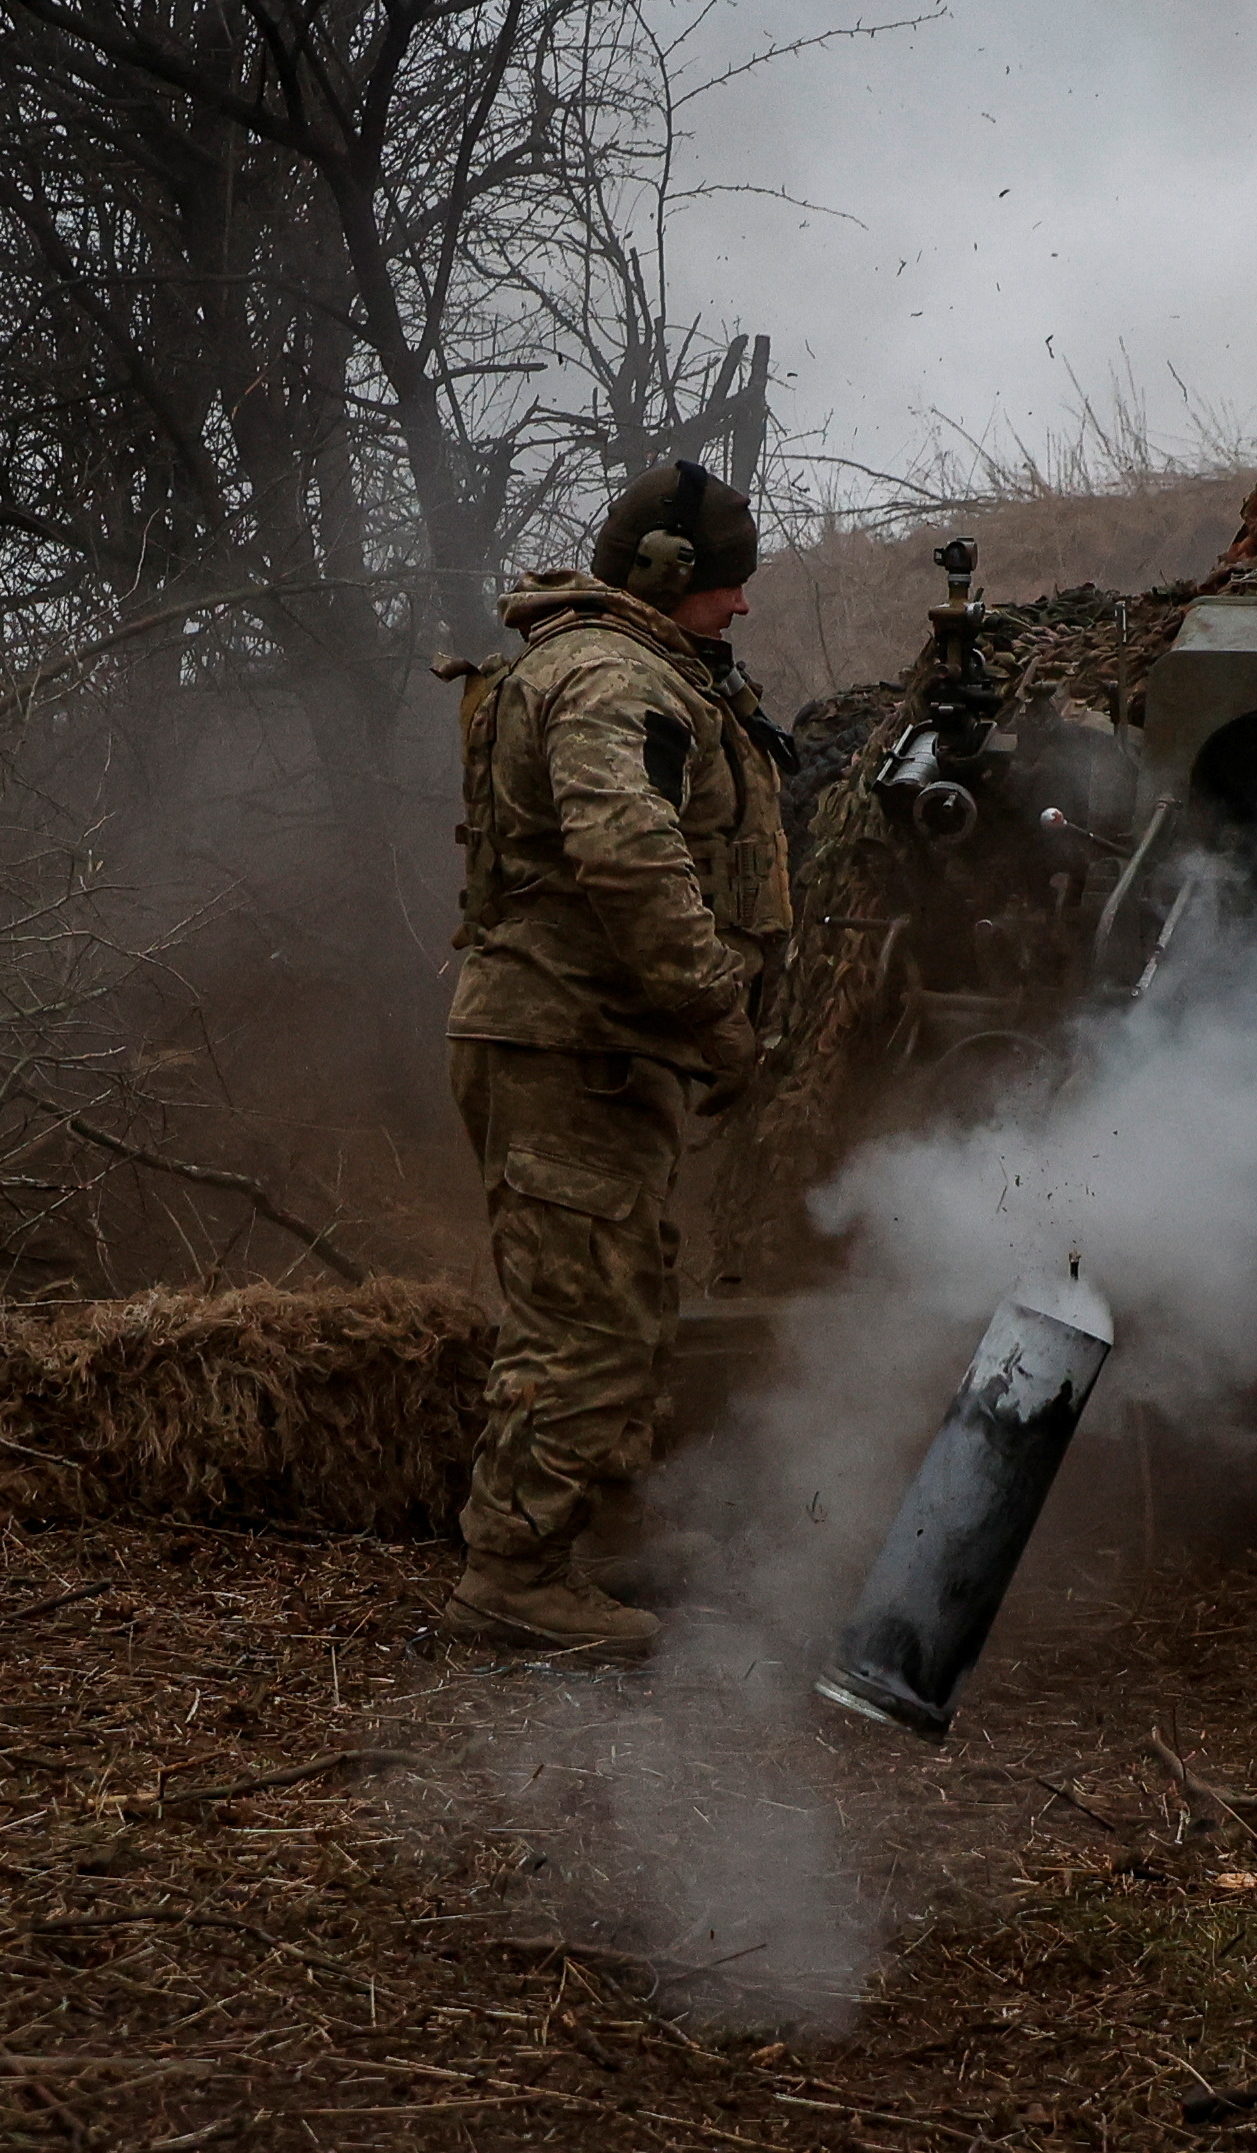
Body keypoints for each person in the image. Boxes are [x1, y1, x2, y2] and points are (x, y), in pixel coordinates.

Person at [438, 461, 794, 1659]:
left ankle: (605, 1528)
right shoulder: (605, 674)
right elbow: (629, 858)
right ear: (666, 572)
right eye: (729, 582)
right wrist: (716, 1011)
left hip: (593, 1040)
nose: (743, 606)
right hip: (563, 1038)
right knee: (579, 1319)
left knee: (630, 1297)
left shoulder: (632, 667)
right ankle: (515, 1572)